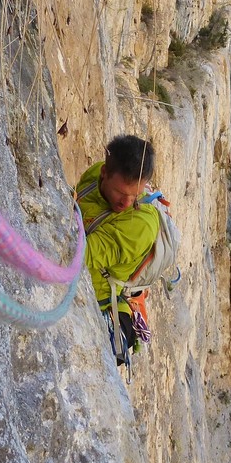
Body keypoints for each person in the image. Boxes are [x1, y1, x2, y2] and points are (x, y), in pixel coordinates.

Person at [75, 135, 159, 363]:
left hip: (102, 305)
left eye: (135, 194)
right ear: (104, 173)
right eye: (121, 193)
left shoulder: (140, 224)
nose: (127, 203)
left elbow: (81, 254)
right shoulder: (94, 175)